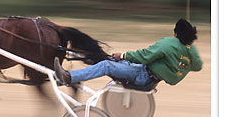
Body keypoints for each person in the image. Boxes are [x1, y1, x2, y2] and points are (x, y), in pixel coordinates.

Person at [54, 18, 202, 89]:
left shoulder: (169, 43)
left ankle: (69, 77)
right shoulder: (191, 51)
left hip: (142, 76)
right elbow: (197, 66)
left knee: (106, 65)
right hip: (151, 80)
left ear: (176, 33)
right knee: (115, 61)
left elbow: (145, 56)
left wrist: (123, 55)